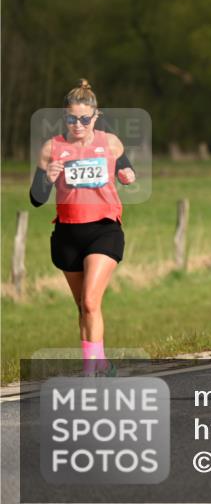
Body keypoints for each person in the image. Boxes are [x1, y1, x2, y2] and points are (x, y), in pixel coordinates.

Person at [29, 80, 136, 376]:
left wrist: (127, 174)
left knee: (90, 300)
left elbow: (127, 170)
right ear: (64, 117)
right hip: (68, 234)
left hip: (104, 229)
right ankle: (100, 362)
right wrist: (47, 179)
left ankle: (91, 371)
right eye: (71, 119)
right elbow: (36, 199)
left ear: (95, 117)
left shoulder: (110, 143)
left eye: (84, 119)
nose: (77, 124)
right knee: (83, 306)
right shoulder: (52, 148)